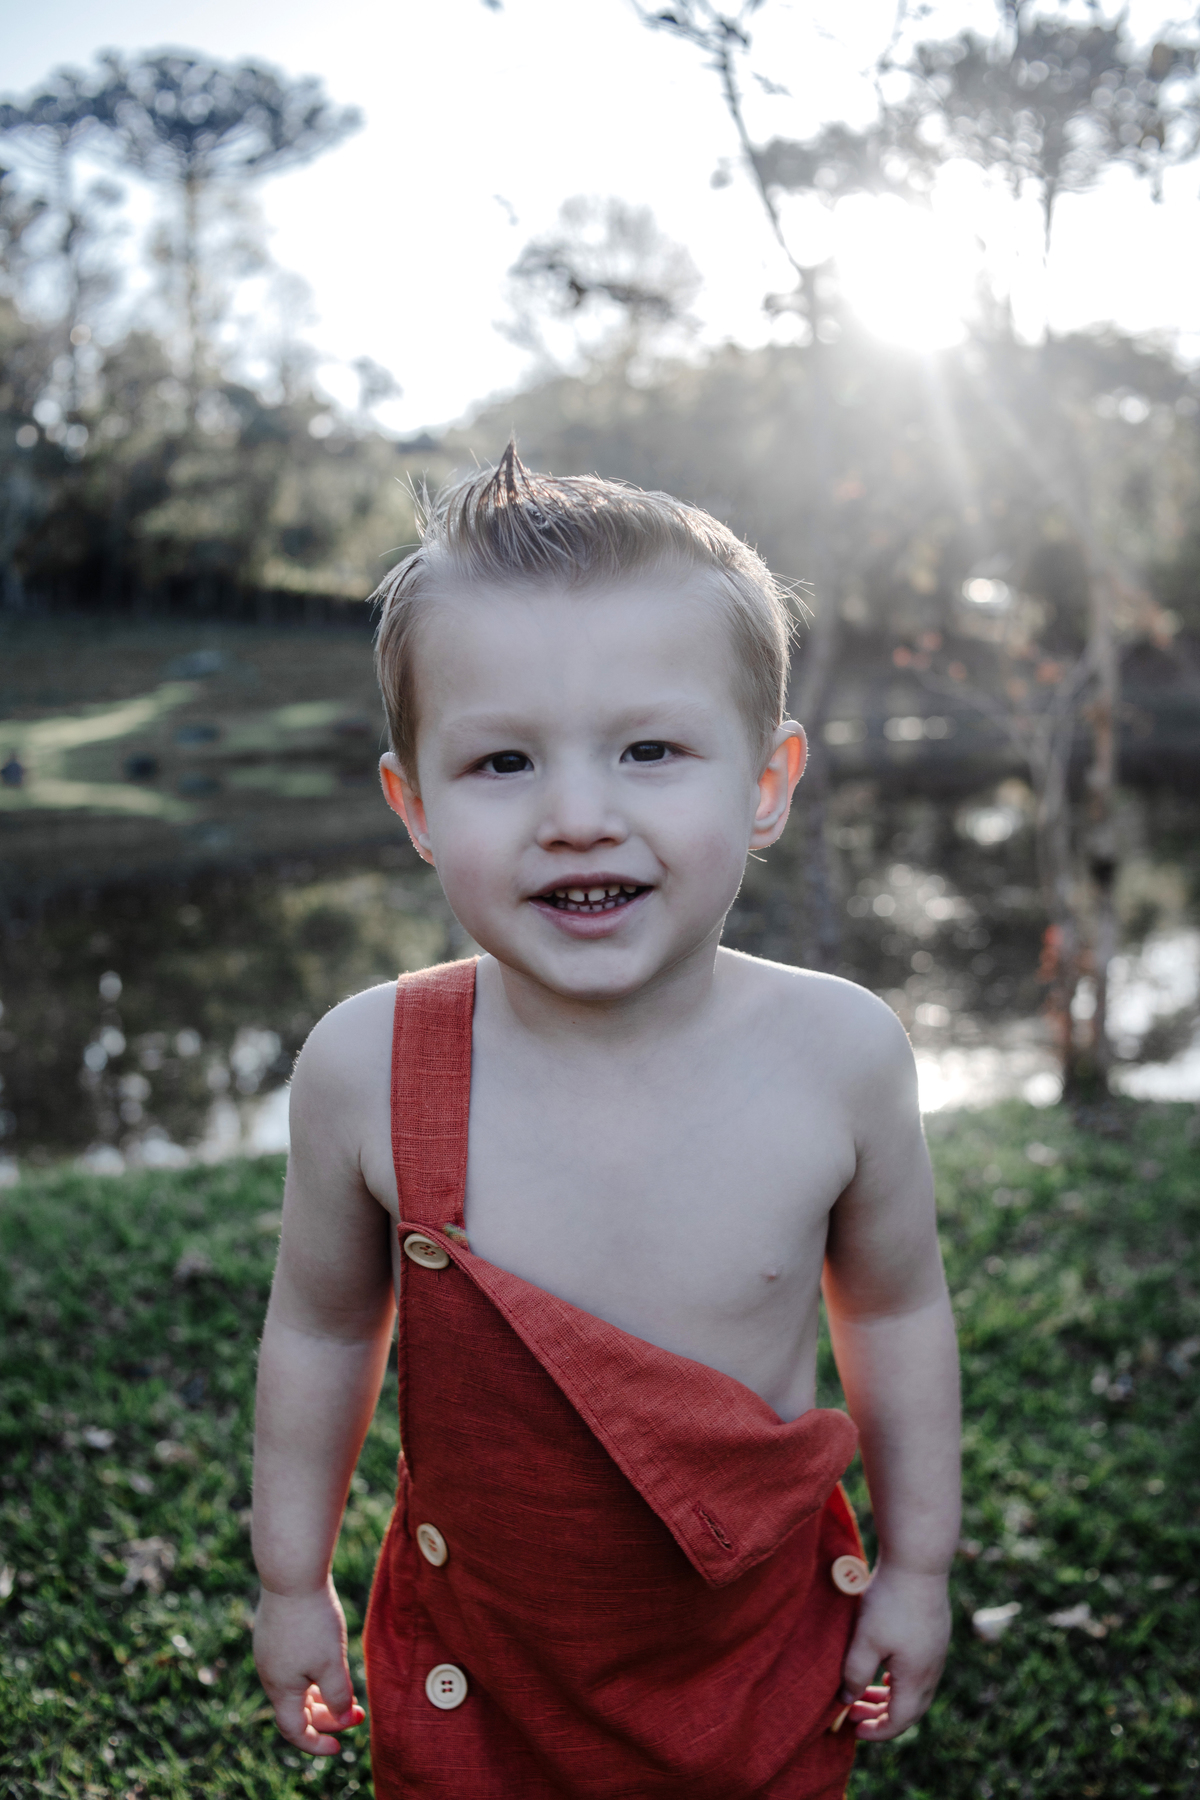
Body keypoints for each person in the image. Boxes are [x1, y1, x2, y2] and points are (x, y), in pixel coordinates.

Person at [251, 447, 961, 1798]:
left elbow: (898, 1311)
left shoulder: (842, 1055)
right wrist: (293, 1580)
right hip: (484, 1665)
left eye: (650, 750)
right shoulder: (368, 1065)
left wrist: (918, 1566)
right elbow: (324, 1329)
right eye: (503, 760)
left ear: (767, 782)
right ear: (415, 806)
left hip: (752, 1650)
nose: (579, 817)